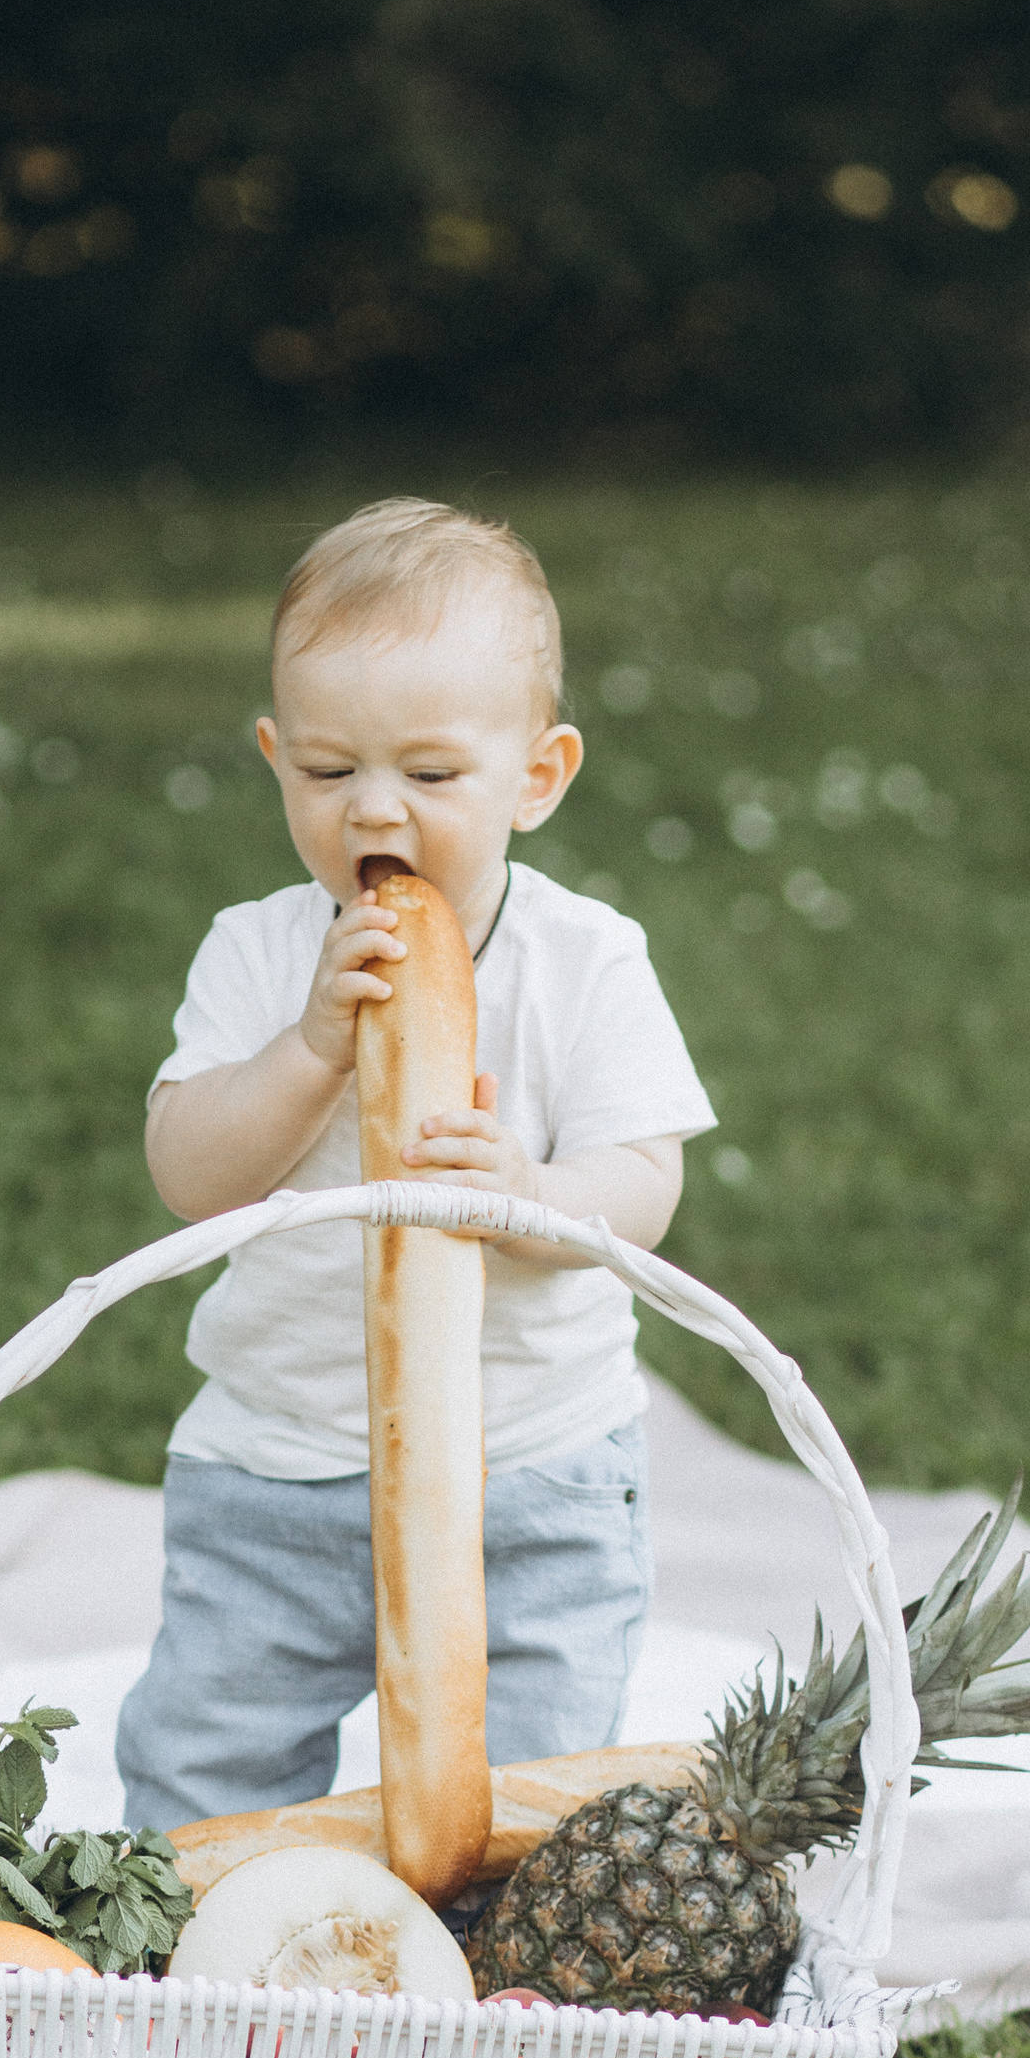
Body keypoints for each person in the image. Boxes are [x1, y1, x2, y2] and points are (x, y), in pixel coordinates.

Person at [114, 496, 714, 1834]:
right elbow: (191, 1174)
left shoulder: (588, 958)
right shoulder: (260, 953)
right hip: (281, 1459)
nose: (374, 807)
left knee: (529, 1787)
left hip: (534, 1471)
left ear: (537, 778)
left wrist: (535, 1200)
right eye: (329, 773)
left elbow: (645, 1184)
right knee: (206, 1758)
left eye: (432, 777)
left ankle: (494, 1985)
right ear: (277, 761)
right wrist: (309, 1047)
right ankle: (210, 1953)